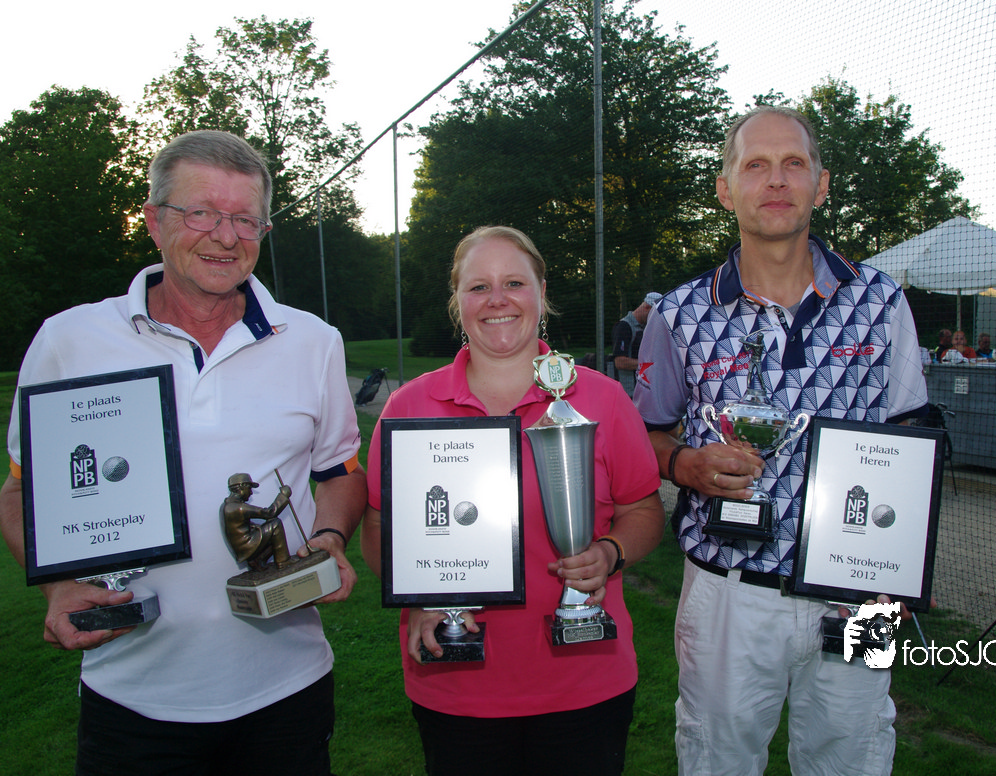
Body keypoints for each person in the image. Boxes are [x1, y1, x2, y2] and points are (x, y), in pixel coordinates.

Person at [0, 130, 367, 775]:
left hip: (287, 688)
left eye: (245, 219)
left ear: (263, 230)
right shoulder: (70, 340)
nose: (225, 236)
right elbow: (23, 491)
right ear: (154, 221)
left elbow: (340, 472)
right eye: (201, 212)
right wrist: (58, 582)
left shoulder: (313, 341)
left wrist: (330, 538)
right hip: (130, 695)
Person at [634, 106, 929, 776]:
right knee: (716, 759)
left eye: (793, 163)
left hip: (862, 592)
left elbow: (911, 434)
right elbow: (644, 435)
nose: (775, 180)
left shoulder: (881, 301)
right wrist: (686, 464)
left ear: (820, 185)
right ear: (726, 188)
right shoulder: (679, 313)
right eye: (756, 165)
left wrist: (900, 562)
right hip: (728, 590)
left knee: (855, 758)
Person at [360, 226, 665, 776]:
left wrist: (610, 552)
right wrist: (417, 593)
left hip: (584, 681)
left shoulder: (601, 397)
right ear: (458, 301)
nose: (497, 300)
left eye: (514, 283)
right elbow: (380, 525)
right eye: (478, 287)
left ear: (541, 293)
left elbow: (643, 510)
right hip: (456, 683)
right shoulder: (409, 406)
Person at [611, 291, 663, 395]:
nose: (654, 319)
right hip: (627, 391)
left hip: (642, 390)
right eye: (653, 315)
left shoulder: (646, 328)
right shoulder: (624, 327)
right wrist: (652, 365)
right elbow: (620, 362)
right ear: (646, 307)